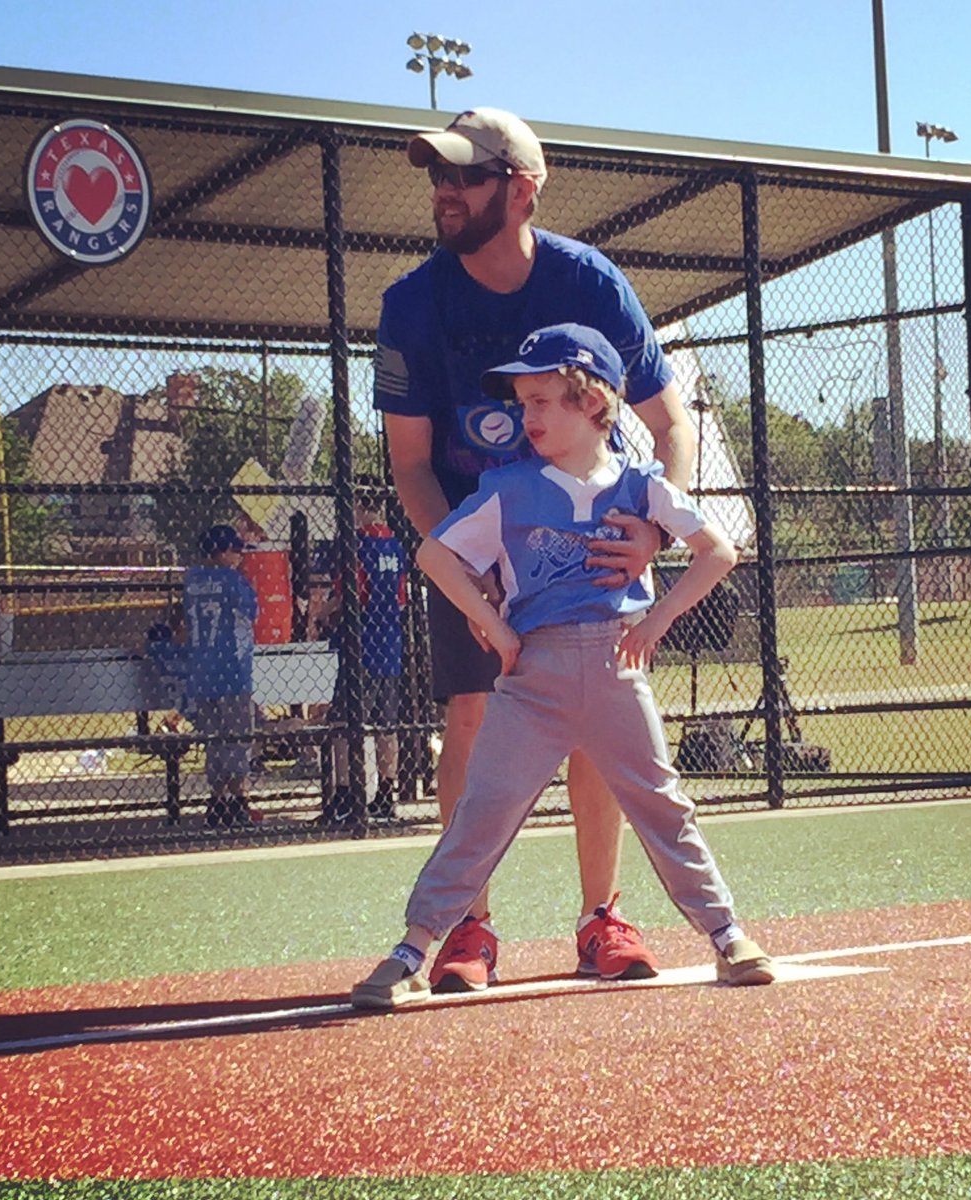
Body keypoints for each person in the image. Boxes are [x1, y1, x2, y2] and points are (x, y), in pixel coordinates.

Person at [352, 324, 774, 1009]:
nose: (529, 417)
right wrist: (491, 625)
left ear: (594, 404)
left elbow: (717, 552)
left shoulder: (640, 486)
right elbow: (436, 555)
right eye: (524, 402)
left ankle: (728, 935)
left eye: (545, 400)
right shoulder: (508, 486)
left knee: (663, 806)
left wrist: (659, 619)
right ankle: (412, 949)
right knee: (483, 813)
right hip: (534, 678)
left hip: (615, 668)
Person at [374, 106, 697, 991]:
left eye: (463, 176)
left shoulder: (590, 283)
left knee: (592, 725)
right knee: (472, 720)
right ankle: (467, 928)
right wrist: (471, 568)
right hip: (475, 540)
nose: (444, 191)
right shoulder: (411, 304)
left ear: (519, 190)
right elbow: (410, 462)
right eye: (437, 177)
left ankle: (602, 919)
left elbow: (672, 424)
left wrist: (653, 531)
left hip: (589, 544)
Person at [324, 479, 410, 823]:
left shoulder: (357, 546)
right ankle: (386, 793)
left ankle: (345, 793)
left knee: (346, 724)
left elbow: (351, 595)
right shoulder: (396, 546)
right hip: (390, 642)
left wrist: (322, 612)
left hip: (361, 645)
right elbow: (401, 598)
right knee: (386, 725)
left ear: (359, 504)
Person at [184, 523, 259, 829]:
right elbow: (252, 613)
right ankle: (239, 800)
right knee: (238, 739)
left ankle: (216, 800)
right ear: (224, 552)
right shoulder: (233, 580)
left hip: (202, 671)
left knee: (215, 742)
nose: (240, 557)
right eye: (236, 551)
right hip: (232, 670)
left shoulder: (191, 579)